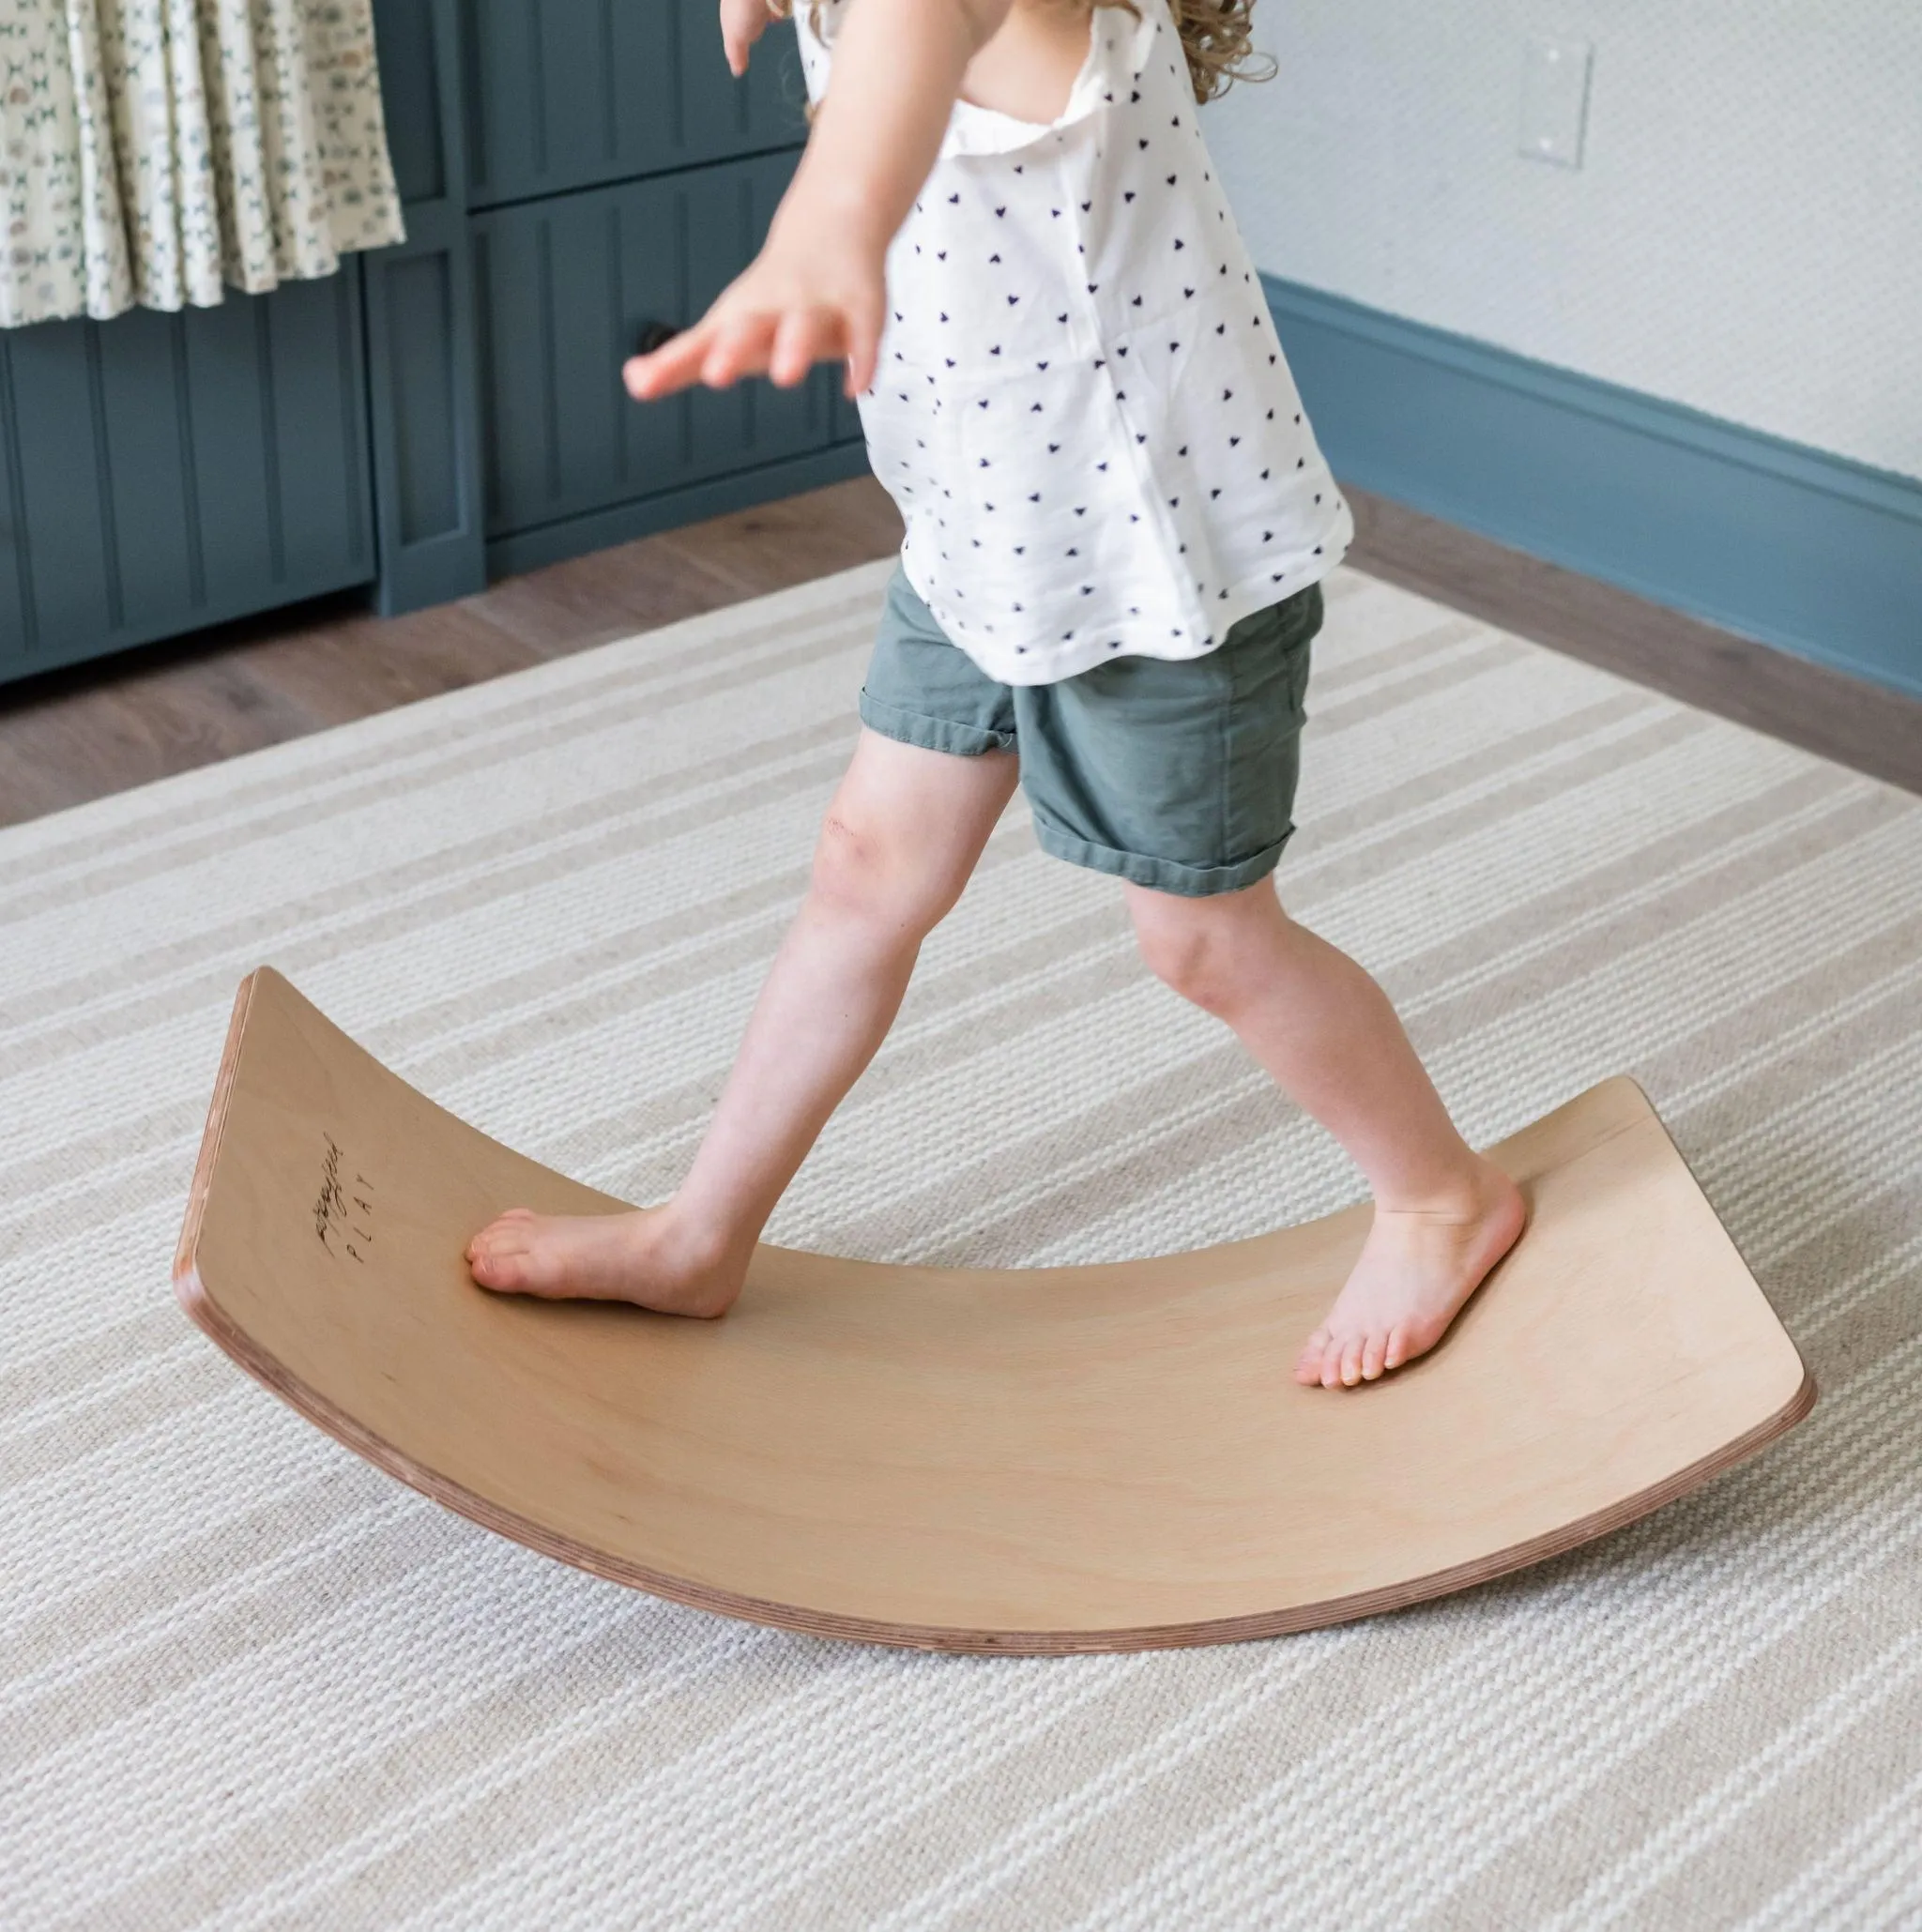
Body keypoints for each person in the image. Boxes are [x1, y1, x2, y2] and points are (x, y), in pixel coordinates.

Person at [465, 0, 1526, 1389]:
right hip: (984, 533)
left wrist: (824, 228)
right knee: (864, 866)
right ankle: (700, 1234)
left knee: (1204, 942)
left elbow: (920, 35)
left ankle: (1441, 1194)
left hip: (1159, 557)